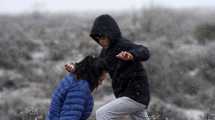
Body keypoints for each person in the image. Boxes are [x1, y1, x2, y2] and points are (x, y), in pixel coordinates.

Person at [90, 14, 151, 120]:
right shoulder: (105, 51)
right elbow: (97, 66)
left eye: (103, 37)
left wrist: (131, 55)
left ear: (110, 34)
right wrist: (76, 68)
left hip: (135, 95)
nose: (101, 41)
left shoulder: (123, 44)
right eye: (98, 38)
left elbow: (144, 51)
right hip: (132, 96)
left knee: (102, 114)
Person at [46, 56, 107, 120]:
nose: (100, 83)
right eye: (100, 80)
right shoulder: (80, 89)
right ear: (94, 75)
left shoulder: (75, 78)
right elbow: (69, 117)